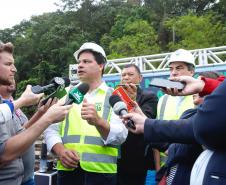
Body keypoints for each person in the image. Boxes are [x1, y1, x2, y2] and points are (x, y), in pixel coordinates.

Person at [44, 42, 128, 185]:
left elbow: (121, 136)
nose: (80, 65)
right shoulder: (67, 95)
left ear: (101, 66)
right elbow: (50, 129)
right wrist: (60, 151)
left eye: (86, 61)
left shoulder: (116, 96)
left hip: (102, 173)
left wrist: (99, 121)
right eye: (79, 62)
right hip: (67, 171)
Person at [122, 74, 226, 185]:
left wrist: (147, 125)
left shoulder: (213, 124)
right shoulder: (189, 114)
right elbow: (170, 148)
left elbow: (198, 130)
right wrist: (145, 124)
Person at [0, 42, 72, 185]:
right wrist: (48, 118)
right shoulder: (9, 107)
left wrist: (42, 114)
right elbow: (4, 155)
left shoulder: (15, 109)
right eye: (8, 64)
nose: (14, 70)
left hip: (25, 179)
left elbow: (23, 133)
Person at [117, 64, 158, 185]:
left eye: (130, 74)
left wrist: (131, 101)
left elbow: (144, 123)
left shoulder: (149, 97)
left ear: (140, 78)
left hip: (136, 159)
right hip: (113, 158)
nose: (126, 77)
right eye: (123, 75)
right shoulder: (114, 97)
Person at [156, 49, 196, 166]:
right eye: (171, 69)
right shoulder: (163, 100)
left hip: (191, 167)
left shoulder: (199, 98)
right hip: (167, 169)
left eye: (179, 68)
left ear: (192, 71)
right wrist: (158, 169)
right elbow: (157, 135)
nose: (173, 73)